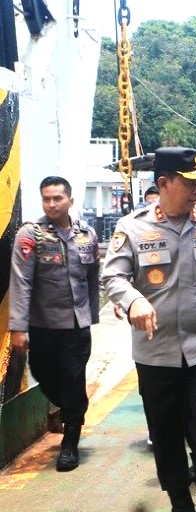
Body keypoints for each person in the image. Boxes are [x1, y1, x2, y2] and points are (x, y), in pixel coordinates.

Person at [101, 146, 196, 512]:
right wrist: (134, 300)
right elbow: (112, 276)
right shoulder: (132, 228)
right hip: (156, 352)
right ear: (163, 183)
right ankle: (180, 506)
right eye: (189, 183)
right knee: (165, 432)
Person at [9, 176, 100, 471]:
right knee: (43, 374)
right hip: (43, 325)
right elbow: (21, 283)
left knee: (73, 380)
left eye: (57, 198)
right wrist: (18, 327)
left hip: (76, 326)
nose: (51, 204)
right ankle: (74, 409)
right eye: (46, 199)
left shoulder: (87, 235)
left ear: (70, 200)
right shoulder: (31, 234)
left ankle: (70, 441)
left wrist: (91, 316)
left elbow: (92, 279)